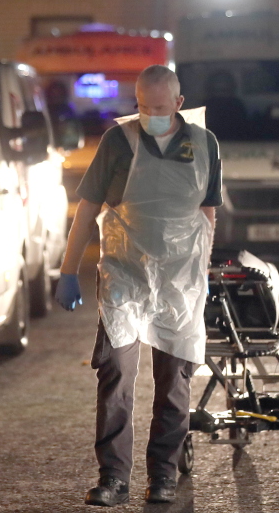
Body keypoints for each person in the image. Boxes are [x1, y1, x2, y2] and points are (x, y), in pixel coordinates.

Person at [53, 65, 222, 506]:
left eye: (160, 109)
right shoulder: (118, 141)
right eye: (143, 107)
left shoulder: (204, 145)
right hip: (125, 276)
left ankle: (163, 476)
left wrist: (201, 271)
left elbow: (208, 212)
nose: (151, 116)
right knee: (115, 376)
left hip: (179, 283)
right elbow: (88, 208)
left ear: (179, 105)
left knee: (173, 383)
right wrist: (68, 270)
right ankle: (113, 477)